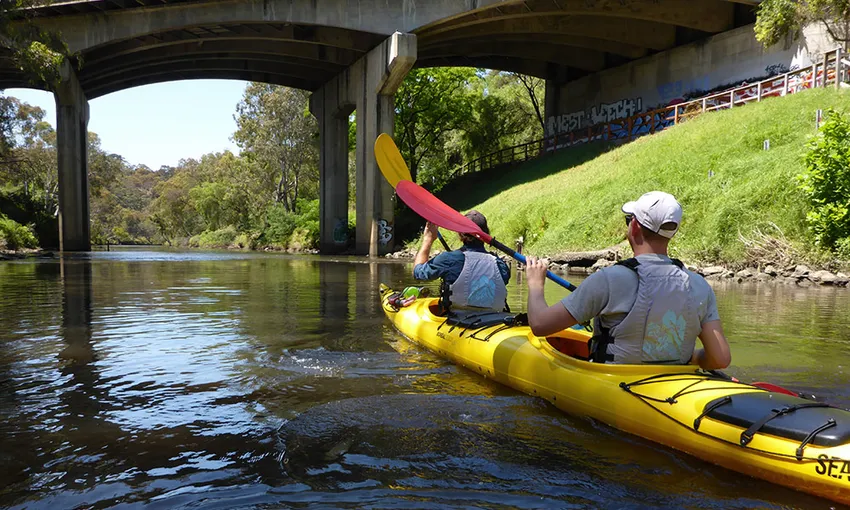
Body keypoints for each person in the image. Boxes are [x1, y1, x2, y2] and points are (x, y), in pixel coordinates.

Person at [524, 191, 731, 369]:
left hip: (615, 384)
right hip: (675, 384)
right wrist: (691, 358)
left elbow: (541, 325)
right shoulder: (699, 285)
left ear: (634, 227)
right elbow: (720, 359)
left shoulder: (608, 279)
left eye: (629, 220)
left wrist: (535, 284)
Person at [413, 210, 510, 313]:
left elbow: (418, 273)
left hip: (458, 319)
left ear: (460, 234)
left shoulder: (448, 260)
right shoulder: (501, 265)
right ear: (486, 235)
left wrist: (428, 239)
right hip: (496, 320)